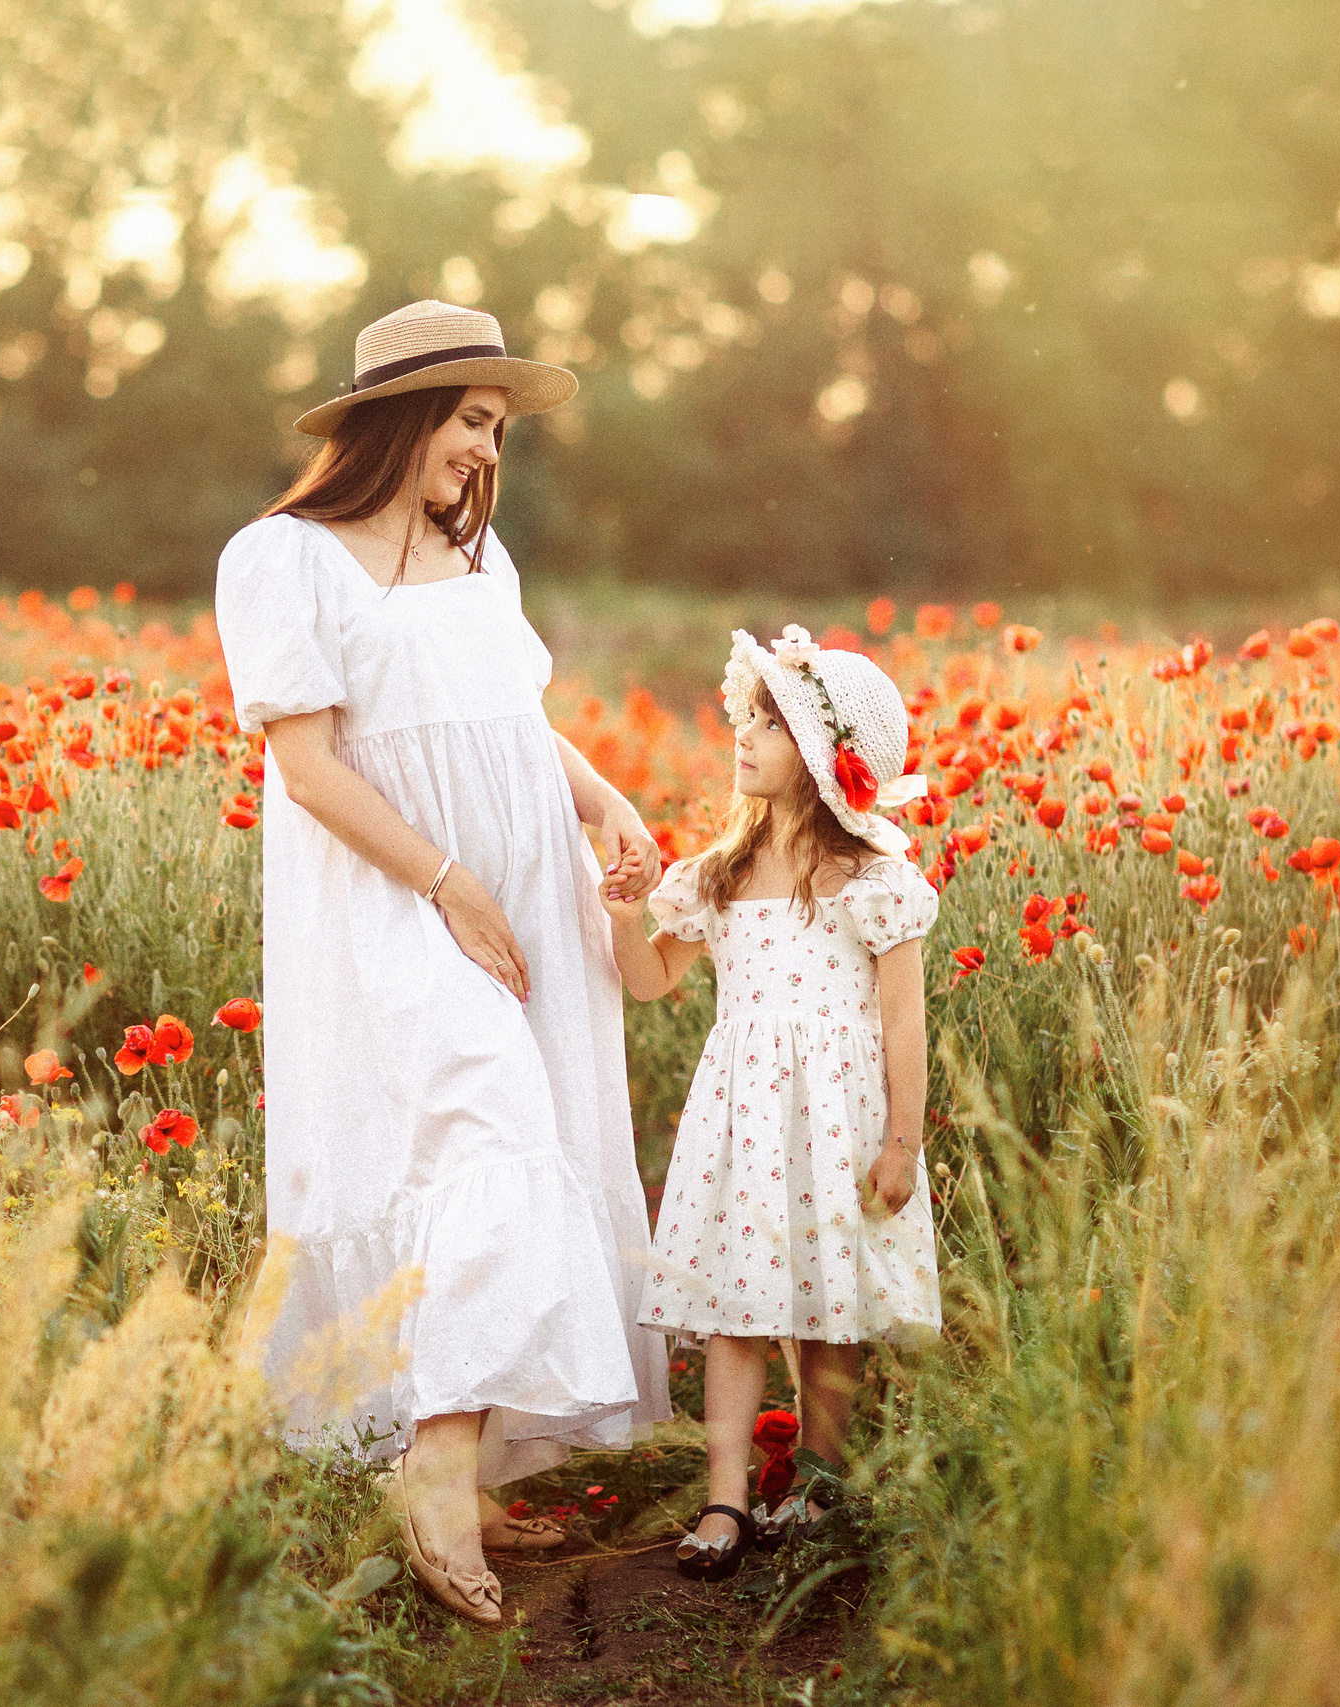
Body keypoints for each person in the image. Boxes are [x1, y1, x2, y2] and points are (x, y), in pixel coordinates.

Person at [216, 300, 671, 1626]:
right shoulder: (282, 557)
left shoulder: (482, 560)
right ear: (402, 417)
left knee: (523, 1140)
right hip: (395, 891)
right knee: (485, 1131)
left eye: (498, 428)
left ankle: (476, 1452)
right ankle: (431, 1465)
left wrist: (608, 806)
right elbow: (305, 765)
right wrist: (450, 885)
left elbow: (517, 724)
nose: (487, 450)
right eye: (473, 421)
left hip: (523, 877)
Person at [601, 625, 943, 1581]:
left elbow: (902, 1025)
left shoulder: (872, 881)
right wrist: (624, 910)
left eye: (768, 721)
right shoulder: (721, 872)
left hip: (840, 1122)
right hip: (746, 1122)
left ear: (829, 760)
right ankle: (725, 1499)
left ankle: (821, 1487)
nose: (742, 734)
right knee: (736, 1311)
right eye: (744, 715)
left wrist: (902, 1143)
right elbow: (649, 980)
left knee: (830, 1312)